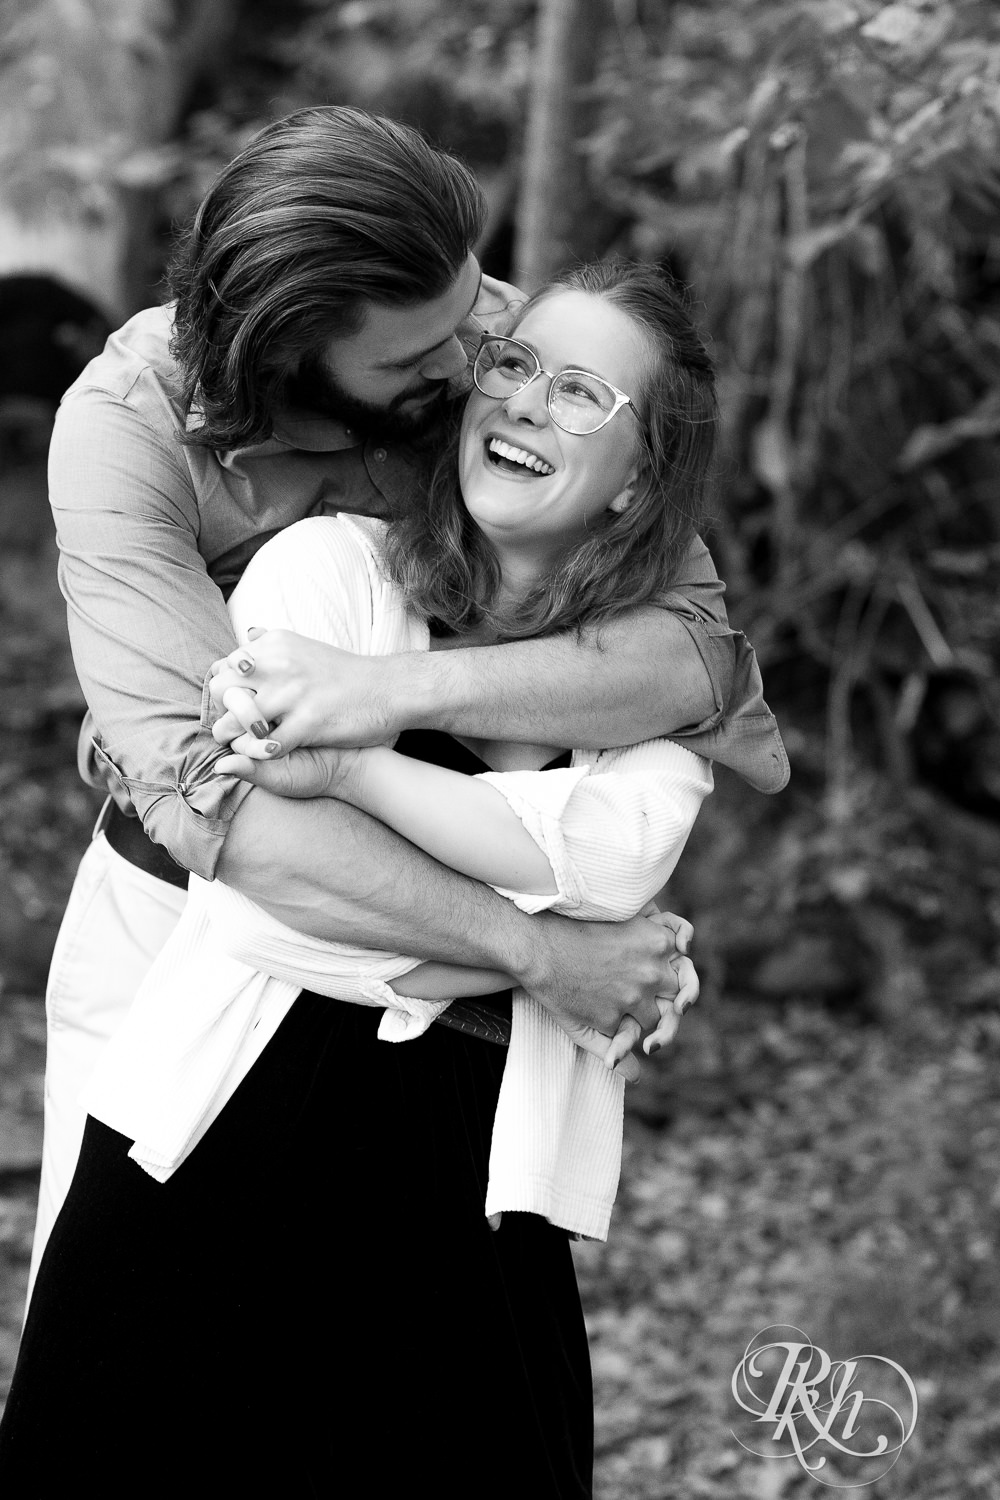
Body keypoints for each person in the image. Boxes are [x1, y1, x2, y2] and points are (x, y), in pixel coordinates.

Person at [1, 260, 761, 1497]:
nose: (522, 397)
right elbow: (257, 906)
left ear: (638, 480)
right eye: (514, 367)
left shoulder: (643, 673)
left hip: (475, 1184)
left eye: (582, 392)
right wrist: (544, 958)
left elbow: (615, 861)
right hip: (217, 1142)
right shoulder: (325, 572)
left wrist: (358, 764)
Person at [31, 105, 787, 1283]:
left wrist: (382, 692)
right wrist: (540, 953)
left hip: (434, 977)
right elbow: (227, 816)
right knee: (119, 1317)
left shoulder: (486, 343)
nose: (468, 363)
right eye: (411, 361)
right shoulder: (125, 434)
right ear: (287, 353)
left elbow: (691, 658)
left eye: (473, 313)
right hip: (182, 915)